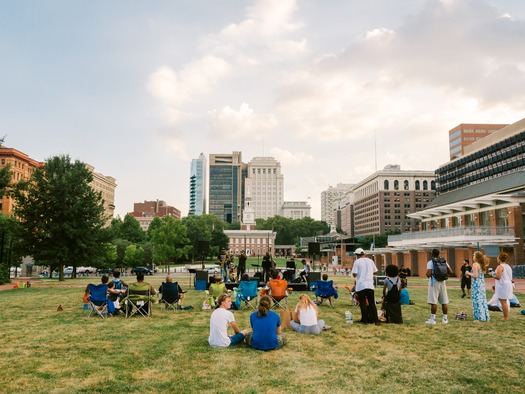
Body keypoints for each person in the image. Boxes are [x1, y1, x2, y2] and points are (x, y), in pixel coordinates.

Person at [351, 248, 380, 326]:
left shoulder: (357, 262)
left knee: (363, 303)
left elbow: (354, 273)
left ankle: (365, 320)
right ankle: (376, 320)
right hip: (370, 284)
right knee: (372, 303)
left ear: (357, 255)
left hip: (361, 285)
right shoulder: (370, 261)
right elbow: (375, 271)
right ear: (363, 253)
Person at [425, 249, 453, 325]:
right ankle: (445, 319)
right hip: (443, 282)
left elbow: (428, 274)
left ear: (432, 254)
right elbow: (450, 271)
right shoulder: (444, 261)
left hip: (434, 282)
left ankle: (433, 319)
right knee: (444, 301)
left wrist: (428, 273)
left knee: (433, 301)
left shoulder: (431, 262)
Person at [464, 251, 490, 322]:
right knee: (482, 300)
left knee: (477, 300)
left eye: (474, 255)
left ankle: (479, 317)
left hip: (476, 285)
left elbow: (475, 275)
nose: (473, 257)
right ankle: (485, 316)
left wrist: (468, 273)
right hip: (481, 284)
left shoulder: (475, 264)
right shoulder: (481, 265)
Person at [492, 251, 513, 321]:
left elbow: (498, 277)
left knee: (503, 301)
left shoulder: (500, 266)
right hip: (508, 283)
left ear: (499, 259)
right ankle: (505, 316)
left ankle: (506, 317)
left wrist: (492, 275)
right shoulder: (508, 266)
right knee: (504, 300)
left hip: (503, 285)